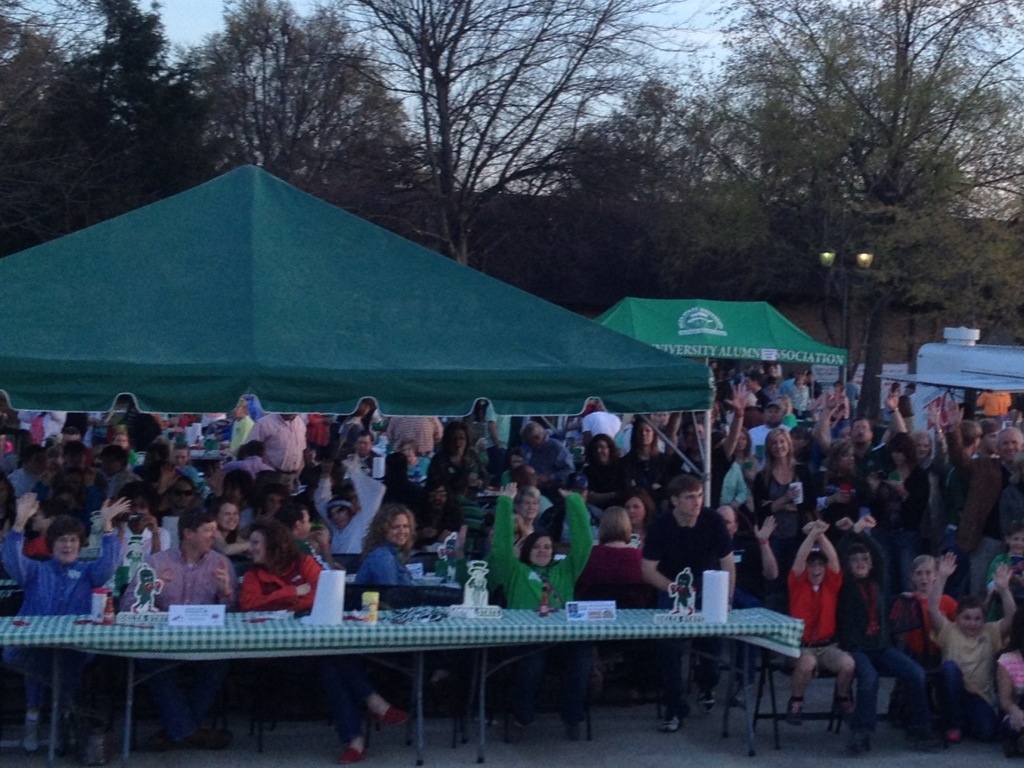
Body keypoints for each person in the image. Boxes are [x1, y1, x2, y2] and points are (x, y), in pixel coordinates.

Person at [239, 520, 407, 764]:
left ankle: (355, 741)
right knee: (335, 659)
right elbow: (248, 605)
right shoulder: (253, 574)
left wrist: (281, 602)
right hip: (279, 654)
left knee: (331, 666)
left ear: (272, 544)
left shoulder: (303, 563)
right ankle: (374, 702)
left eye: (255, 543)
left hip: (315, 647)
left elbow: (323, 596)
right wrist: (291, 593)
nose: (250, 548)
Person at [2, 493, 126, 752]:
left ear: (80, 545)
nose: (67, 545)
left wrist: (106, 525)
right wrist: (19, 524)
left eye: (72, 540)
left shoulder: (88, 572)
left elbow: (109, 565)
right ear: (51, 544)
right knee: (38, 656)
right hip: (32, 649)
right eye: (61, 540)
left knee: (69, 656)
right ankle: (32, 719)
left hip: (74, 647)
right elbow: (13, 561)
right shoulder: (36, 570)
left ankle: (64, 718)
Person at [488, 482, 593, 741]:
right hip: (526, 641)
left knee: (582, 655)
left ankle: (573, 718)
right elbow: (501, 548)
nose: (543, 550)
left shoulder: (565, 570)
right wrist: (504, 504)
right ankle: (521, 718)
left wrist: (575, 504)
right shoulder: (515, 572)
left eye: (547, 547)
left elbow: (584, 545)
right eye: (537, 547)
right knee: (532, 664)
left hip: (560, 639)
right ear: (526, 551)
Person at [127, 508, 237, 751]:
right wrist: (152, 589)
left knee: (220, 662)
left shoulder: (222, 563)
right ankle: (191, 732)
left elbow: (232, 616)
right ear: (188, 533)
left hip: (205, 643)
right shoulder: (156, 562)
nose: (214, 536)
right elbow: (128, 607)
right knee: (149, 663)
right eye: (208, 530)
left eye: (215, 530)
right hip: (161, 643)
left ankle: (175, 730)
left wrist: (225, 592)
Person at [836, 522, 941, 754]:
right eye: (856, 561)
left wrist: (865, 535)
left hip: (882, 648)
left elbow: (879, 554)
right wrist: (854, 532)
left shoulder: (879, 582)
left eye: (864, 560)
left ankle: (921, 728)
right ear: (849, 566)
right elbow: (840, 552)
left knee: (916, 672)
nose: (861, 563)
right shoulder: (846, 585)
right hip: (857, 649)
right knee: (870, 678)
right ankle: (861, 732)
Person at [642, 474, 735, 731]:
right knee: (669, 648)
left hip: (709, 589)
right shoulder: (661, 526)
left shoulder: (713, 520)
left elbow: (728, 562)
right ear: (674, 501)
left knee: (713, 644)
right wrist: (675, 589)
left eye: (699, 496)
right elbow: (648, 570)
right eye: (689, 497)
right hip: (672, 590)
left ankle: (707, 686)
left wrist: (726, 598)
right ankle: (674, 709)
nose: (696, 502)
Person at [928, 551, 1015, 743]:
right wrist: (941, 576)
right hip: (951, 691)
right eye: (967, 618)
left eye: (977, 619)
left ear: (983, 620)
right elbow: (932, 609)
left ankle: (965, 721)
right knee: (949, 668)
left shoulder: (990, 632)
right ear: (957, 617)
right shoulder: (949, 631)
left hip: (978, 696)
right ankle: (953, 723)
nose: (972, 623)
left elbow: (1012, 619)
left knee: (987, 734)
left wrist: (1004, 589)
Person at [785, 520, 855, 725]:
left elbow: (833, 560)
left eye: (819, 564)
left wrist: (820, 534)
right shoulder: (797, 583)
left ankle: (842, 698)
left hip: (827, 646)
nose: (816, 568)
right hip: (800, 647)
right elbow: (799, 560)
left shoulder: (831, 583)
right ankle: (796, 701)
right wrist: (811, 536)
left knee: (848, 664)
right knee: (807, 663)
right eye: (812, 564)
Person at [354, 504, 414, 585]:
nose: (402, 531)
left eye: (406, 526)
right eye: (396, 527)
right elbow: (390, 593)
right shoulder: (383, 557)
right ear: (382, 530)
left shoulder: (394, 553)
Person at [427, 421, 487, 496]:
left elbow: (485, 476)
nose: (458, 443)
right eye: (454, 439)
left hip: (471, 501)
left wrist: (480, 482)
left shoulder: (472, 456)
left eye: (462, 438)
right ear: (447, 440)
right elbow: (434, 485)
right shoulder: (439, 460)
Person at [997, 610, 1024, 756]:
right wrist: (1015, 710)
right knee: (1013, 724)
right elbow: (1005, 700)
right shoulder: (1007, 661)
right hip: (1018, 711)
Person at [582, 433, 628, 509]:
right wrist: (614, 494)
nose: (599, 451)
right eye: (595, 448)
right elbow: (590, 497)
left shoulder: (622, 466)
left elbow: (626, 492)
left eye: (602, 447)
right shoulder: (588, 471)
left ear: (609, 449)